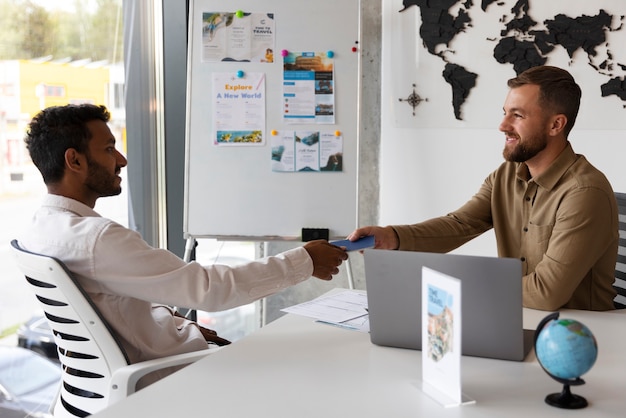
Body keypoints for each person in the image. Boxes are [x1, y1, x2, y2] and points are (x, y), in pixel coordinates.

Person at [19, 103, 348, 386]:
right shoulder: (97, 239)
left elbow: (117, 305)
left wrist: (180, 325)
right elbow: (208, 290)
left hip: (116, 380)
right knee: (313, 369)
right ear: (74, 161)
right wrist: (304, 261)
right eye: (108, 149)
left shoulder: (40, 229)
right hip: (163, 380)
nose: (121, 160)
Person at [349, 65, 618, 311]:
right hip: (517, 320)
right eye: (505, 113)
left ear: (556, 124)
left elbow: (546, 293)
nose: (503, 126)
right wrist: (392, 237)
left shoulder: (584, 193)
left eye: (518, 115)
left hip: (581, 339)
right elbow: (459, 224)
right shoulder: (505, 176)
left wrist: (454, 287)